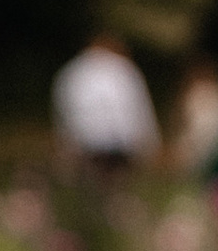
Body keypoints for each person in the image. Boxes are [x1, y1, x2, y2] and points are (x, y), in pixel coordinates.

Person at [49, 26, 159, 174]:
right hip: (120, 143)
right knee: (115, 181)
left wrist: (66, 143)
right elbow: (139, 108)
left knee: (89, 182)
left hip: (85, 141)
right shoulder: (124, 68)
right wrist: (149, 143)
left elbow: (63, 111)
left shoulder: (72, 70)